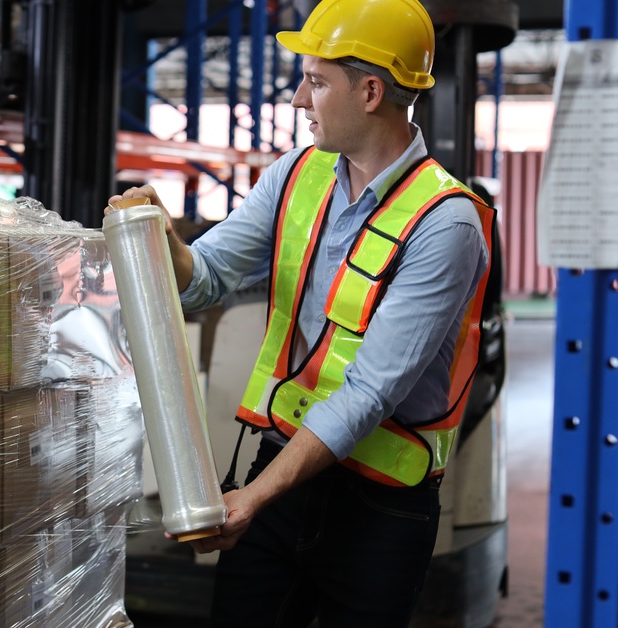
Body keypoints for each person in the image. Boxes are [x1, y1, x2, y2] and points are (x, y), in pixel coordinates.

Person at [105, 0, 496, 625]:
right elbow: (204, 280)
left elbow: (369, 391)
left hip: (381, 507)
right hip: (280, 465)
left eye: (315, 81)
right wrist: (165, 243)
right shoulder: (295, 175)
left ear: (371, 91)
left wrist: (252, 499)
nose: (296, 99)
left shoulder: (445, 224)